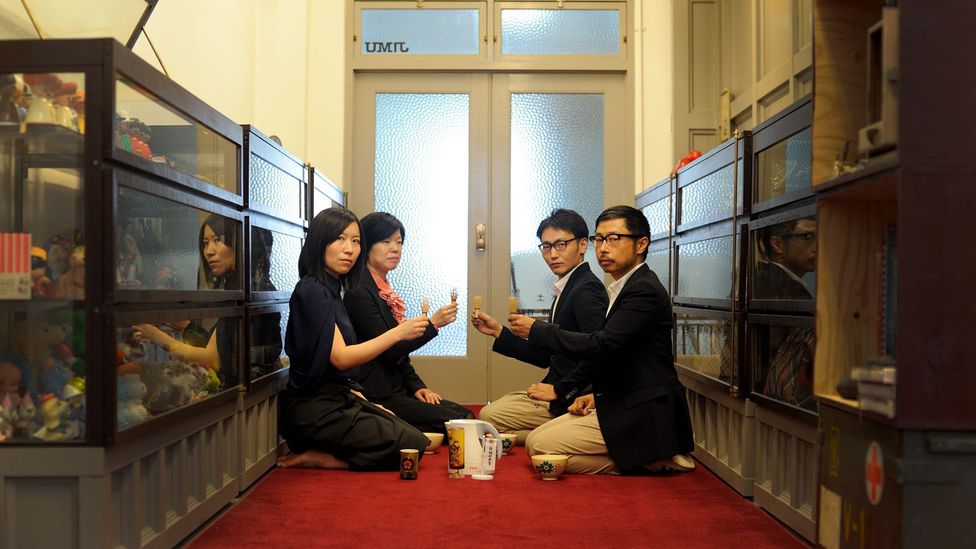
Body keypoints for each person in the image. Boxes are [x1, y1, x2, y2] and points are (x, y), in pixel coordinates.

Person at [508, 205, 694, 475]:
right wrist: (593, 395)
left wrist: (539, 331)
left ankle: (652, 457)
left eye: (614, 239)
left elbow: (600, 345)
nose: (603, 248)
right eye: (600, 239)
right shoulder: (622, 286)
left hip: (644, 411)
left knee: (539, 445)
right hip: (619, 398)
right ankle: (641, 458)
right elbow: (613, 354)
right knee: (538, 442)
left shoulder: (644, 290)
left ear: (641, 244)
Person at [277, 207, 431, 470]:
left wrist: (366, 403)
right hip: (312, 411)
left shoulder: (331, 287)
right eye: (340, 239)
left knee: (414, 438)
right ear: (319, 242)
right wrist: (398, 333)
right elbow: (341, 358)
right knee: (407, 446)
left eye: (355, 241)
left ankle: (330, 448)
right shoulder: (313, 290)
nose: (349, 249)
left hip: (336, 399)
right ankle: (323, 457)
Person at [471, 209, 607, 443]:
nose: (553, 254)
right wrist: (498, 331)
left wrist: (560, 390)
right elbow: (547, 356)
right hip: (557, 388)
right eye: (546, 247)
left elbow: (597, 353)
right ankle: (546, 433)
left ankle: (555, 431)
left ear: (583, 245)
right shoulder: (568, 286)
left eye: (561, 245)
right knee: (489, 414)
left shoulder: (587, 289)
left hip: (574, 396)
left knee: (489, 416)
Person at [343, 212, 473, 433]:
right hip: (376, 393)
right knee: (463, 421)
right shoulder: (359, 292)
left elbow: (400, 356)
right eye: (386, 241)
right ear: (366, 245)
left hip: (398, 388)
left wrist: (417, 386)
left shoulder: (383, 288)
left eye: (399, 242)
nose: (395, 249)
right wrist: (433, 324)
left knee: (464, 415)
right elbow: (391, 350)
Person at [133, 214, 240, 373]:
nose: (209, 251)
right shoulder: (236, 287)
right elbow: (220, 346)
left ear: (237, 242)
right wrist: (185, 326)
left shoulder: (240, 291)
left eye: (218, 240)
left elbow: (211, 358)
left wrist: (150, 332)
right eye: (205, 243)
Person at [754, 217, 817, 410]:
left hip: (758, 395)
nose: (817, 246)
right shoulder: (789, 292)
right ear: (778, 244)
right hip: (778, 404)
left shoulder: (760, 278)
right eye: (808, 237)